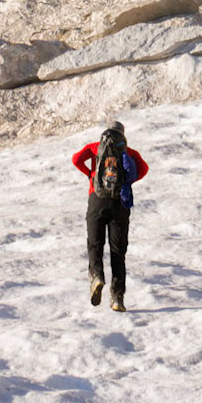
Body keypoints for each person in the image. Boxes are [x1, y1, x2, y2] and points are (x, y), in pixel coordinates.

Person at [72, 120, 148, 311]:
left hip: (96, 199)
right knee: (118, 252)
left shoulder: (95, 147)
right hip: (120, 204)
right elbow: (144, 169)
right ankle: (117, 298)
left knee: (95, 243)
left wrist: (91, 175)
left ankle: (96, 276)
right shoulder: (129, 152)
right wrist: (128, 181)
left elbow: (75, 160)